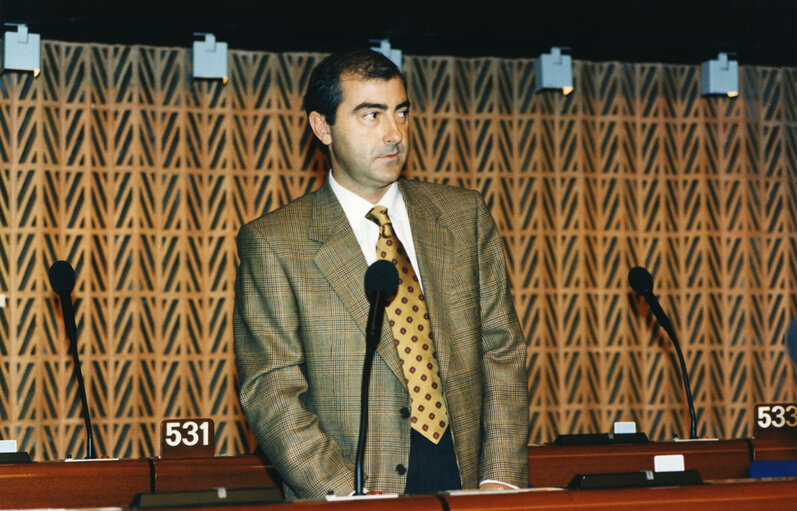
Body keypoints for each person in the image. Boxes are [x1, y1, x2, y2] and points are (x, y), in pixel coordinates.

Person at [233, 49, 528, 500]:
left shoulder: (463, 216)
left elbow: (501, 350)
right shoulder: (275, 242)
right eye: (371, 115)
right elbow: (271, 390)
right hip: (354, 492)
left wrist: (500, 477)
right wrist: (344, 494)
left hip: (470, 483)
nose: (394, 134)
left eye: (401, 112)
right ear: (322, 127)